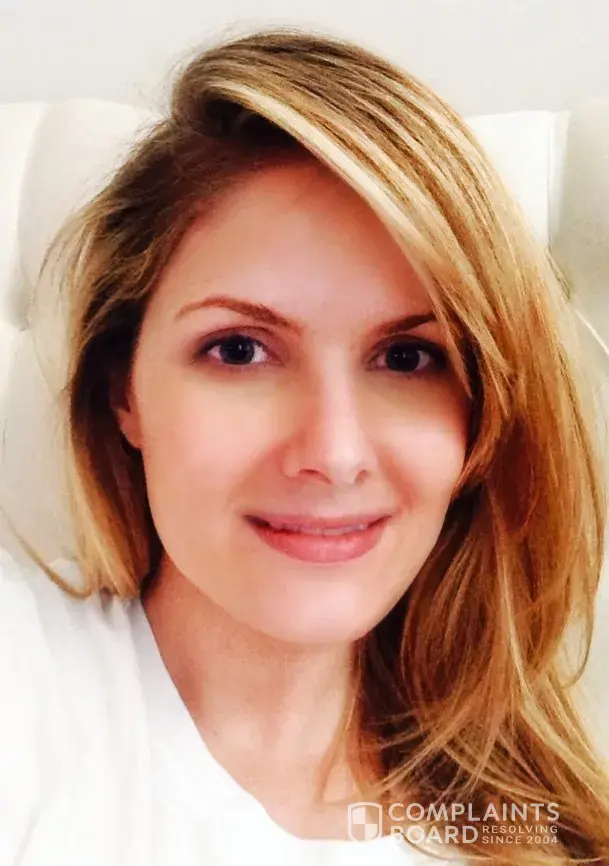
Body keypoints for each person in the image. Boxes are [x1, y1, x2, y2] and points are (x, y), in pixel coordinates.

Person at [1, 27, 608, 866]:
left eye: (407, 358)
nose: (333, 451)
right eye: (238, 350)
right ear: (123, 393)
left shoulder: (533, 838)